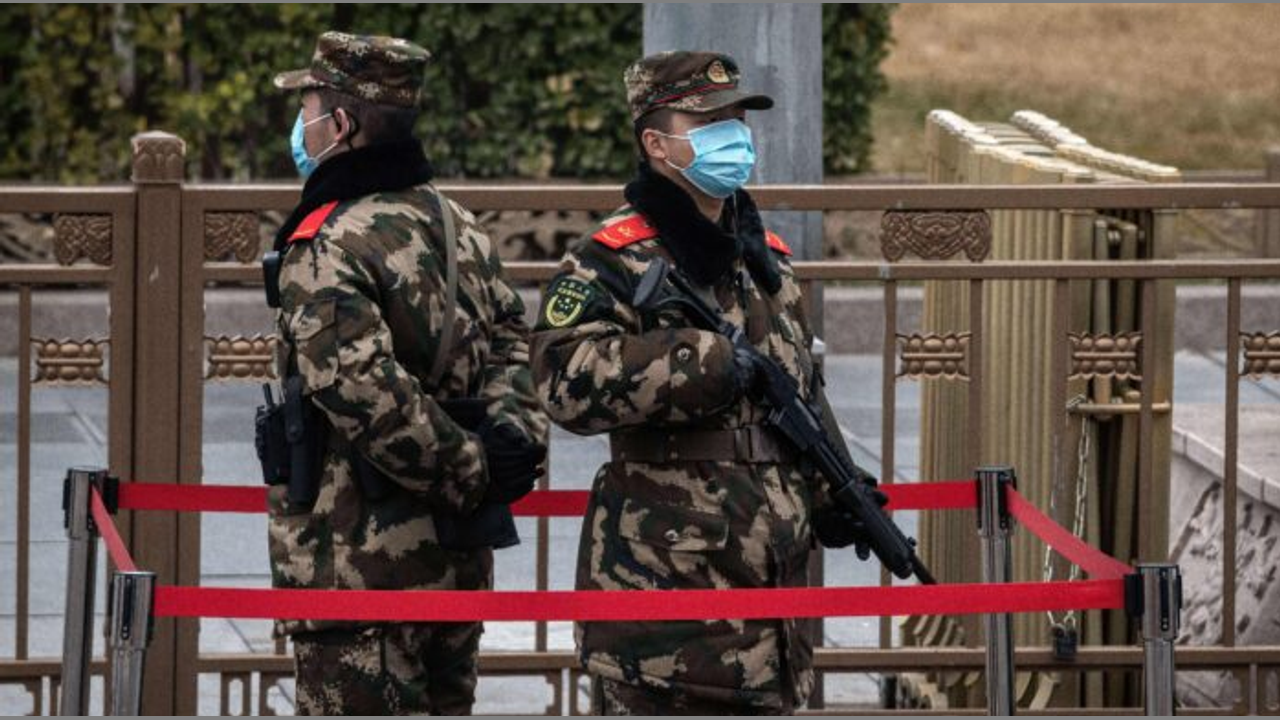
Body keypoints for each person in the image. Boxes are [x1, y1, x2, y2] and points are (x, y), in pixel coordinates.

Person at [262, 31, 548, 715]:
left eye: (307, 109)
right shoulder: (456, 224)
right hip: (455, 559)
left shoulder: (328, 241)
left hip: (360, 568)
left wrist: (470, 468)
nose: (300, 126)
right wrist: (510, 442)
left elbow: (360, 388)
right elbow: (515, 343)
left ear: (340, 125)